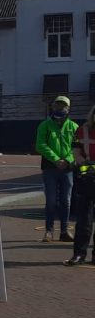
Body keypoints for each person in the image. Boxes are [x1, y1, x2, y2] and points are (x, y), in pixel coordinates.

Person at [35, 95, 78, 243]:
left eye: (63, 106)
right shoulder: (44, 125)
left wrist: (67, 160)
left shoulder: (74, 127)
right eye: (57, 105)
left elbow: (77, 148)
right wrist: (55, 159)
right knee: (51, 201)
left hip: (68, 169)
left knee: (66, 201)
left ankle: (64, 231)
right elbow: (40, 145)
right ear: (52, 107)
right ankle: (49, 231)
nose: (60, 108)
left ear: (68, 108)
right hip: (50, 169)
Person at [66, 105, 95, 265]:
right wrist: (86, 163)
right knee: (84, 220)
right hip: (86, 180)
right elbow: (76, 152)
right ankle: (79, 254)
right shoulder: (82, 130)